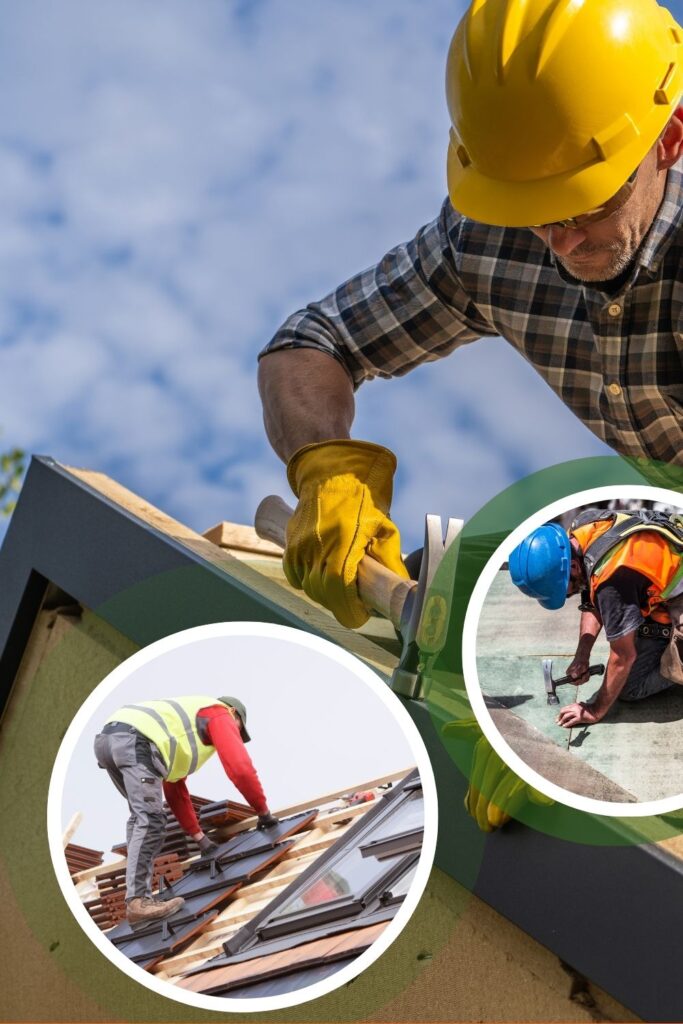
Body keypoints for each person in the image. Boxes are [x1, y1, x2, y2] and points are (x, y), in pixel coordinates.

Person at [257, 0, 683, 631]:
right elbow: (311, 342)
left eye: (582, 203)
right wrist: (328, 474)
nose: (559, 240)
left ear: (670, 140)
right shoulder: (489, 239)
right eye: (530, 206)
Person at [94, 695, 278, 925]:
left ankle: (136, 900)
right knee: (150, 820)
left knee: (141, 817)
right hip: (134, 740)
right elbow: (240, 769)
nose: (236, 736)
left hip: (110, 740)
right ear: (234, 713)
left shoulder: (177, 737)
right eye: (239, 730)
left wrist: (200, 839)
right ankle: (138, 902)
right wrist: (263, 813)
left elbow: (175, 791)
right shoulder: (219, 713)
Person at [509, 510, 683, 726]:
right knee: (626, 621)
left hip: (673, 592)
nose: (567, 594)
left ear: (572, 567)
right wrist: (582, 655)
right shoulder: (581, 529)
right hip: (663, 578)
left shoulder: (614, 579)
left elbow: (623, 657)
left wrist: (594, 710)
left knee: (630, 687)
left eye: (565, 588)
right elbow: (592, 597)